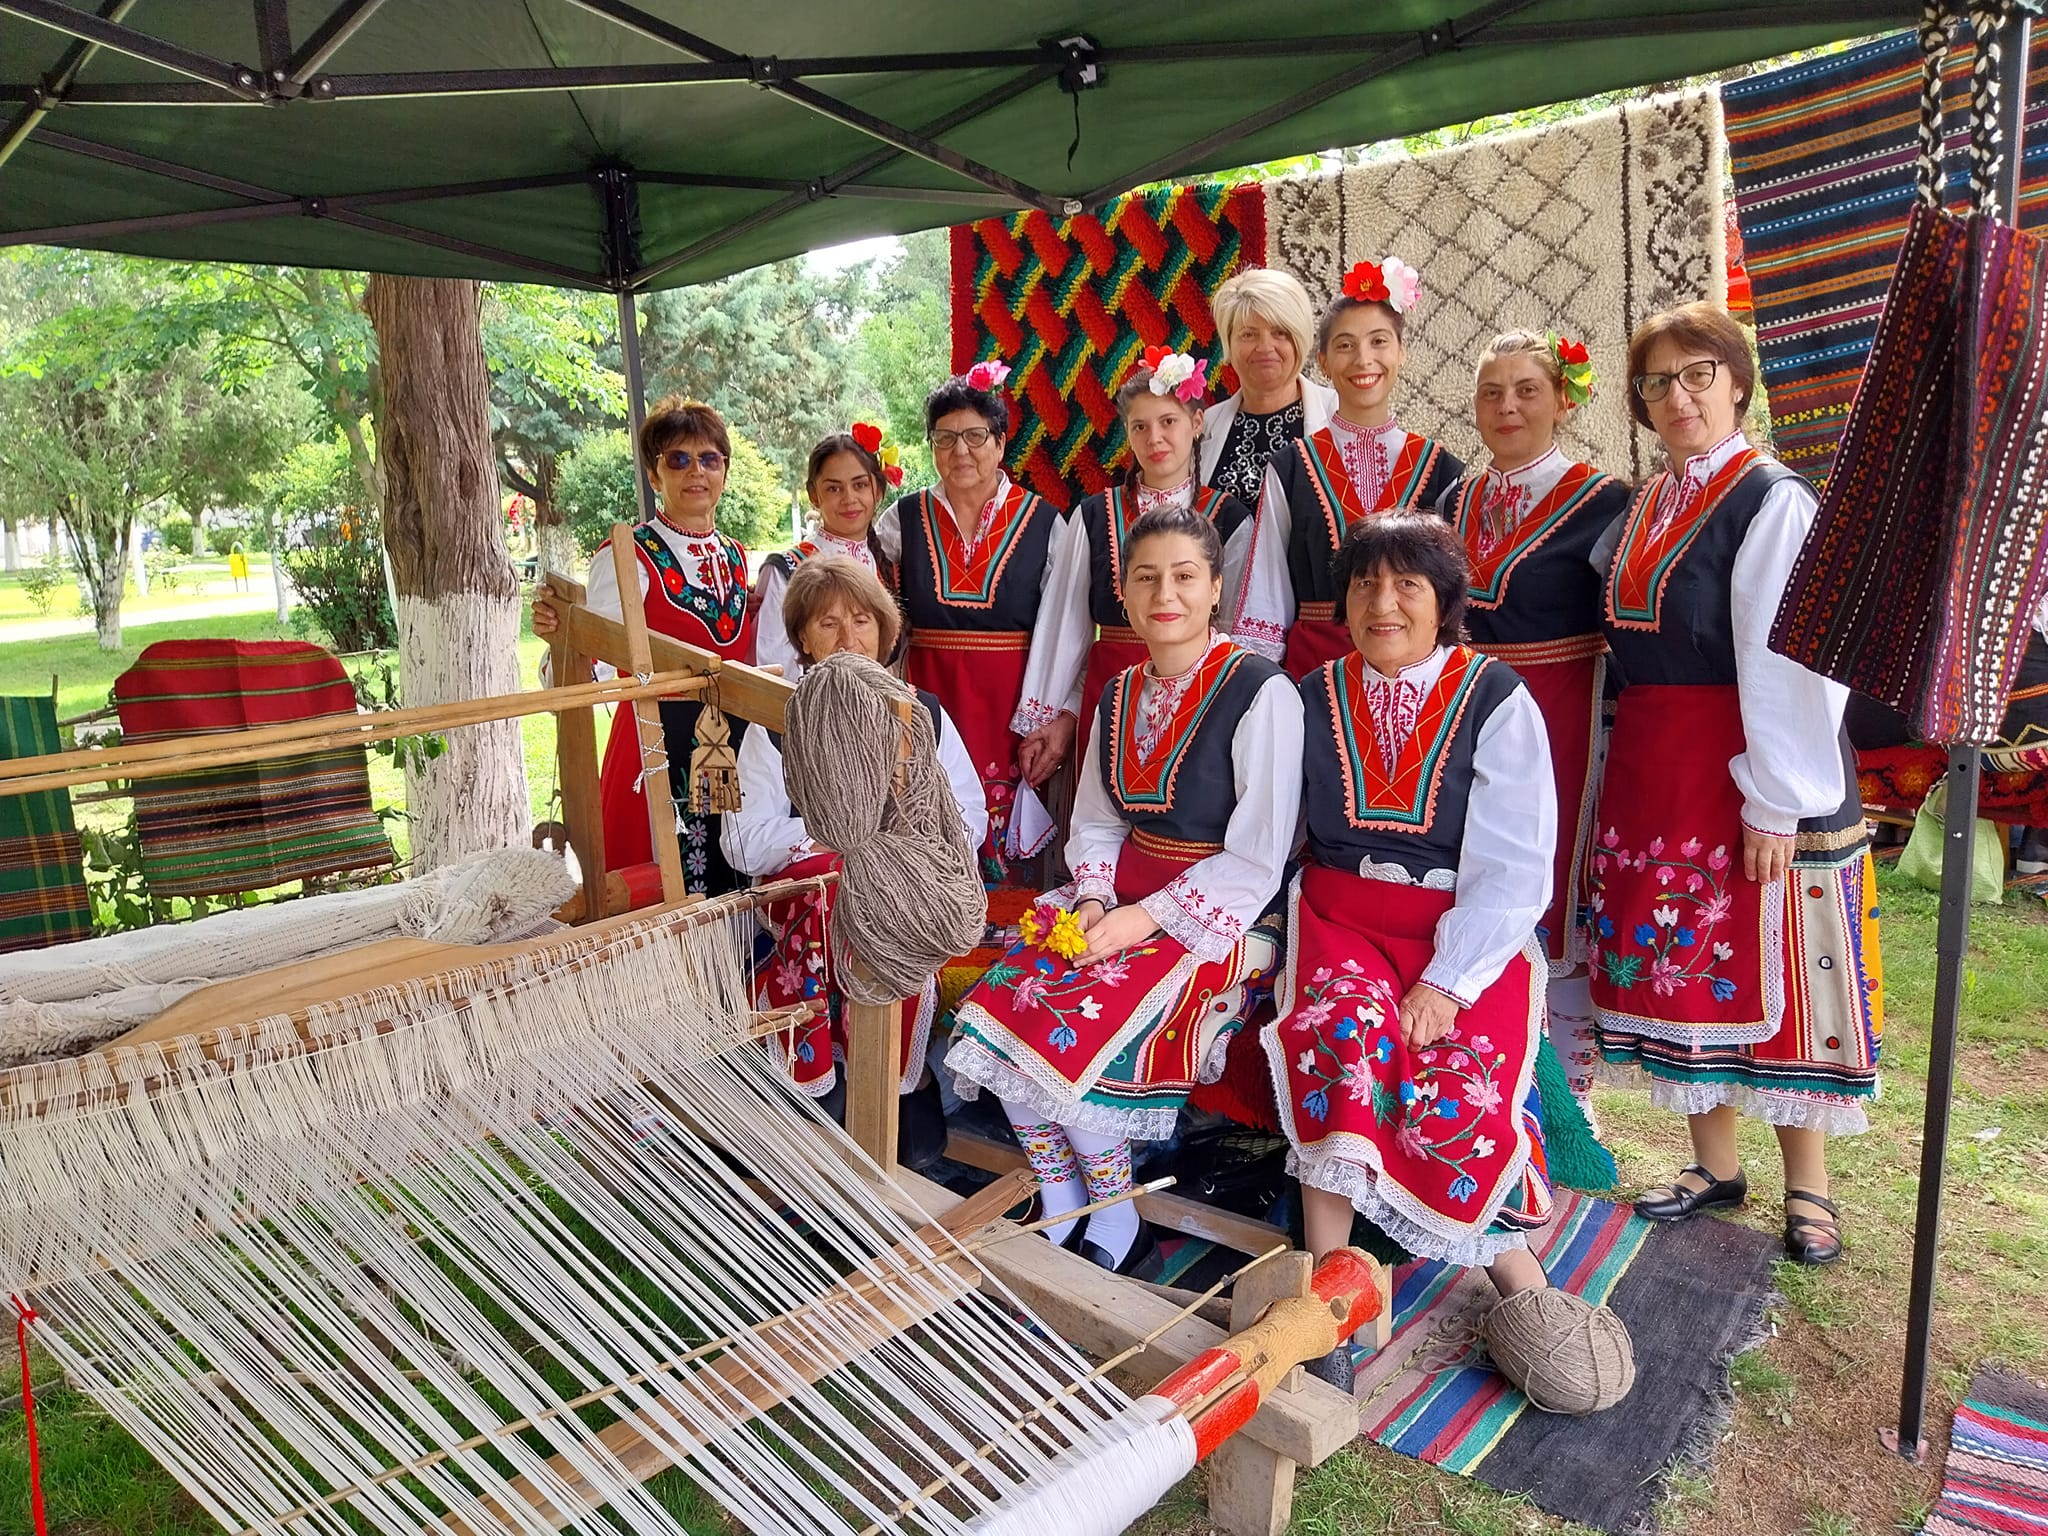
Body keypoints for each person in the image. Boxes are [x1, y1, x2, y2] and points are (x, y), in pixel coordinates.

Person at [1589, 302, 1882, 1266]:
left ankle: (1809, 1185)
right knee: (1684, 962)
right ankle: (1714, 1165)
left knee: (1779, 961)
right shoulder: (1652, 501)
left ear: (1738, 383)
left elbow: (1787, 658)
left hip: (1752, 760)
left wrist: (1775, 795)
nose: (1678, 396)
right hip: (1660, 769)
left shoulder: (1770, 499)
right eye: (1658, 382)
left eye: (1698, 375)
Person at [1265, 512, 1578, 1394]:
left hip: (1463, 933)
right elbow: (1273, 829)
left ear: (1446, 602)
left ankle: (1516, 1278)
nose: (1383, 603)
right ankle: (1329, 1297)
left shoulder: (1496, 700)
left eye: (1407, 585)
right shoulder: (1308, 696)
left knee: (1458, 1079)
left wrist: (1448, 981)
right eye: (1365, 584)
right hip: (1340, 922)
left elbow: (1515, 865)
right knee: (1342, 1035)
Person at [949, 504, 1301, 1276]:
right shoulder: (1116, 694)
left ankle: (1115, 1217)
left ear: (1216, 588)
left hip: (1222, 917)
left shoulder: (1261, 692)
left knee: (1081, 1029)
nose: (1164, 594)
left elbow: (1258, 856)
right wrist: (1091, 899)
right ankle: (1060, 1198)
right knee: (1007, 1007)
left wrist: (1143, 919)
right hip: (1114, 902)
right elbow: (1099, 822)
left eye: (1184, 576)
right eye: (1146, 579)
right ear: (1126, 594)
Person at [722, 556, 986, 1169]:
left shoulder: (922, 714)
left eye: (862, 621)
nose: (848, 638)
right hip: (808, 900)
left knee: (883, 896)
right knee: (839, 888)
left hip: (899, 887)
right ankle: (824, 1078)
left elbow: (968, 818)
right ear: (802, 639)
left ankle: (897, 1078)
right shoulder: (777, 723)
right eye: (828, 623)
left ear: (885, 631)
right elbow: (742, 841)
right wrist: (841, 838)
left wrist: (894, 847)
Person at [1436, 330, 1630, 1114]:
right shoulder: (1455, 502)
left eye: (1526, 390)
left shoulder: (1605, 501)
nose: (1507, 406)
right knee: (1475, 871)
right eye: (1492, 392)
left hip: (1563, 716)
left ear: (1563, 402)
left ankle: (1567, 1100)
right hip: (1466, 714)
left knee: (1553, 885)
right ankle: (1491, 1073)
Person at [532, 396, 753, 896]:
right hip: (655, 742)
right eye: (678, 459)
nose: (695, 471)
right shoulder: (628, 555)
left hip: (730, 741)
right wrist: (563, 640)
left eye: (709, 458)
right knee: (659, 888)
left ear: (724, 470)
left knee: (729, 877)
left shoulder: (737, 557)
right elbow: (585, 667)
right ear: (654, 476)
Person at [1014, 351, 1260, 773]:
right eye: (1140, 426)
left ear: (1197, 424)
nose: (1154, 438)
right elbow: (1065, 621)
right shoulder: (1093, 516)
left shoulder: (1230, 518)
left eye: (1168, 422)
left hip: (1201, 696)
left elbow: (1237, 623)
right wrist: (1056, 711)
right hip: (1109, 693)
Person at [873, 364, 1063, 878]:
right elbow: (868, 604)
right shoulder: (900, 521)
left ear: (1000, 444)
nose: (961, 450)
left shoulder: (1046, 524)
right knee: (924, 825)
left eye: (975, 436)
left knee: (1006, 855)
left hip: (1012, 710)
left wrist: (1054, 717)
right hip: (926, 703)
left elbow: (1065, 630)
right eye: (945, 437)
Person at [1235, 259, 1464, 677]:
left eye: (1379, 342)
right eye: (1345, 345)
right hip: (1313, 673)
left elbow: (1452, 595)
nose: (1363, 359)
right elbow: (1268, 589)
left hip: (1414, 673)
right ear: (1323, 361)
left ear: (1401, 353)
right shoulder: (1290, 467)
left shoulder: (1442, 471)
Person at [751, 424, 903, 680]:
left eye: (860, 485)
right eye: (834, 488)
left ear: (877, 490)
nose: (849, 498)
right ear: (814, 495)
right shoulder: (787, 569)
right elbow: (773, 670)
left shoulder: (888, 567)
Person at [1201, 268, 1338, 510]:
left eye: (1280, 333)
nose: (1265, 347)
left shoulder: (1339, 415)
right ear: (1229, 344)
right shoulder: (1206, 426)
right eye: (1248, 334)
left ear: (1300, 339)